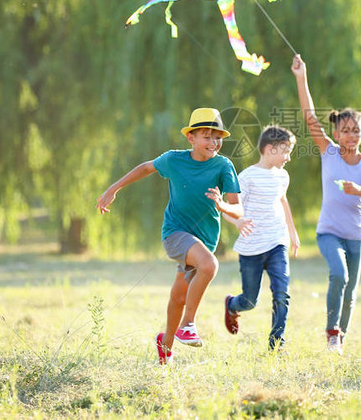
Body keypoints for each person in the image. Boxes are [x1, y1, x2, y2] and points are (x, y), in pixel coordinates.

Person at [96, 108, 249, 365]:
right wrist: (114, 188)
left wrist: (223, 207)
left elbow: (238, 207)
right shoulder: (173, 160)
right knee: (210, 265)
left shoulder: (224, 165)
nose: (213, 142)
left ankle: (165, 345)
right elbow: (146, 168)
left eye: (217, 137)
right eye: (206, 136)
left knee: (179, 296)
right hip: (175, 233)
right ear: (191, 138)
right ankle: (188, 324)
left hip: (204, 240)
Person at [291, 54, 361, 354]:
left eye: (356, 130)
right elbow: (309, 117)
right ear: (336, 133)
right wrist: (301, 77)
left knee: (351, 293)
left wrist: (360, 190)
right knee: (339, 275)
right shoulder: (328, 152)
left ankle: (339, 339)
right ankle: (332, 331)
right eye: (345, 130)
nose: (351, 135)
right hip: (328, 232)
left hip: (356, 234)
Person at [223, 125, 301, 350]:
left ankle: (277, 344)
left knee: (282, 293)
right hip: (251, 248)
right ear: (269, 149)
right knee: (249, 301)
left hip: (277, 242)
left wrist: (292, 233)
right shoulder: (247, 177)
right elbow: (230, 208)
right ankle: (232, 305)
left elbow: (283, 200)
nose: (288, 157)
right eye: (286, 151)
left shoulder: (283, 176)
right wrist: (238, 222)